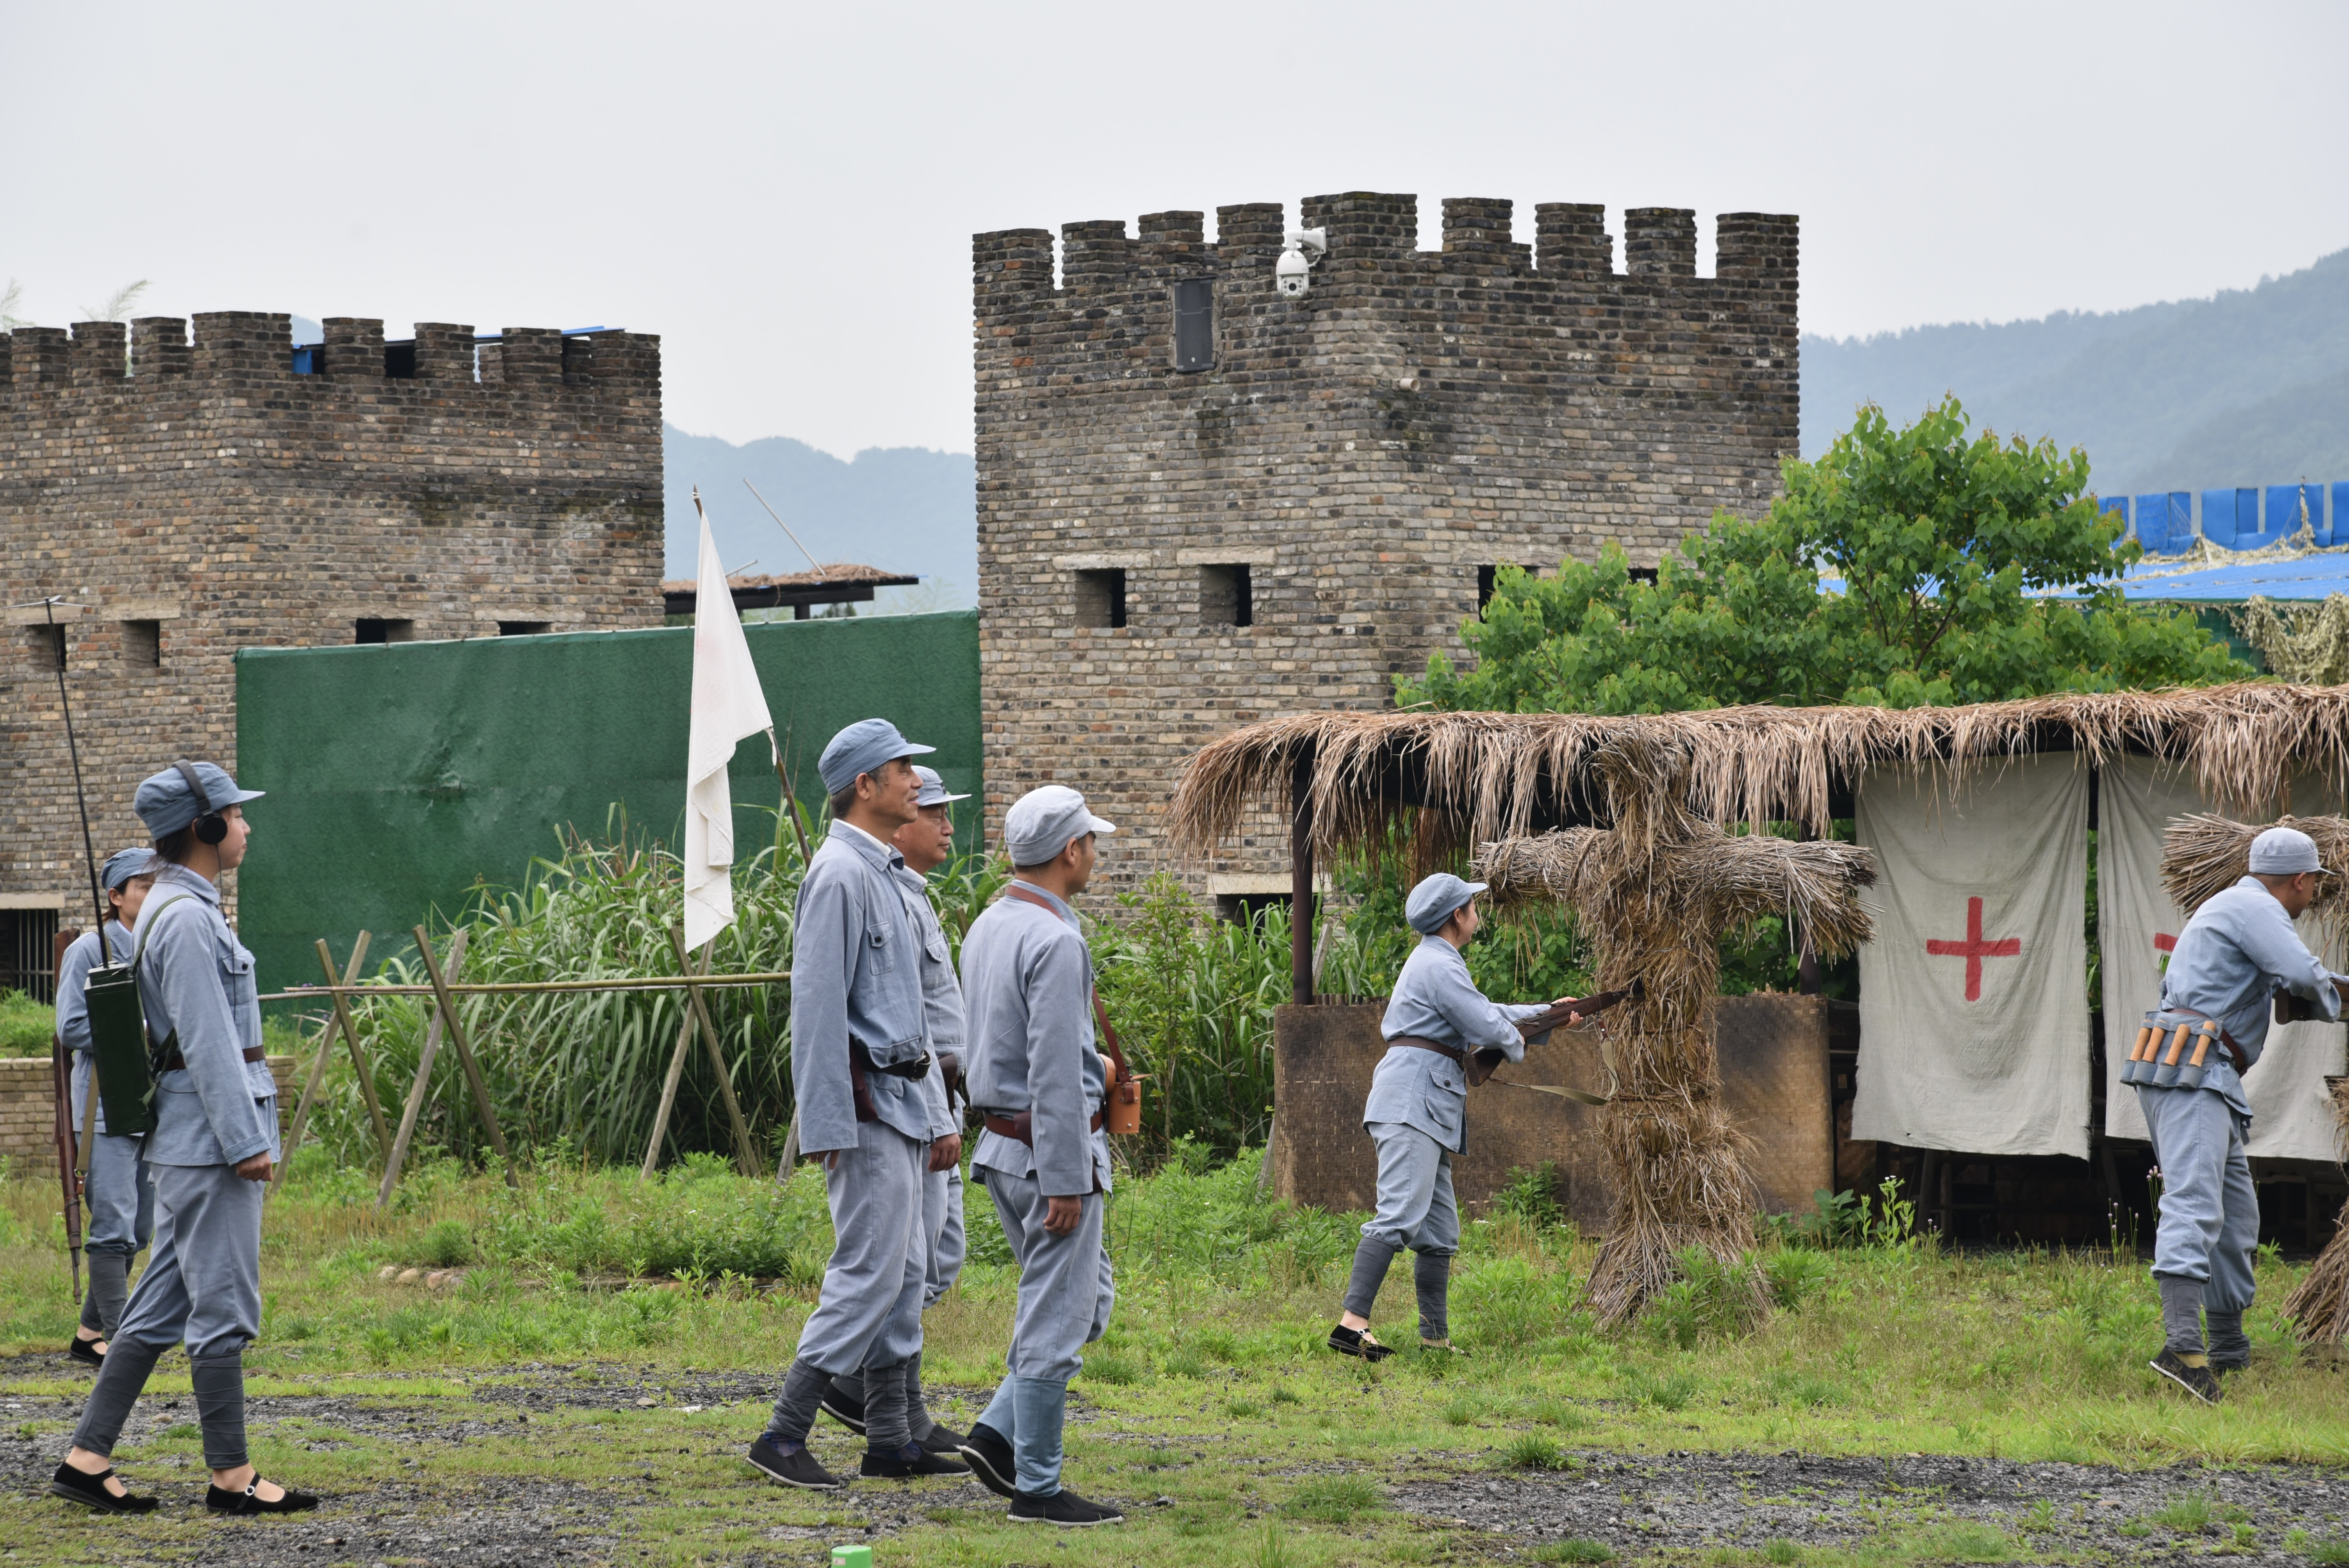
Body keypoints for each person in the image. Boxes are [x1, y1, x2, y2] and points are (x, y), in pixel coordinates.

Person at [53, 761, 318, 1516]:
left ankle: (85, 1458)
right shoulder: (189, 918)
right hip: (208, 1143)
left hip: (191, 1138)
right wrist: (244, 1141)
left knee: (155, 1307)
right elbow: (207, 1040)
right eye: (236, 815)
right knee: (223, 1305)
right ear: (204, 827)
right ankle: (232, 1477)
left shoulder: (175, 906)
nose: (246, 826)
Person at [747, 720, 969, 1490]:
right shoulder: (839, 875)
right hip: (869, 1110)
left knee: (906, 1274)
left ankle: (890, 1439)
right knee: (868, 1273)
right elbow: (817, 1010)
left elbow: (914, 1021)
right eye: (902, 768)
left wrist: (938, 1117)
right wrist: (827, 1123)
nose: (916, 781)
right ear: (865, 786)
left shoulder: (881, 874)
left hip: (906, 1105)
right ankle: (782, 1434)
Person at [955, 784, 1124, 1528]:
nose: (1094, 854)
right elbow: (1055, 1069)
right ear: (1070, 851)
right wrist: (1065, 1175)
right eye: (1091, 842)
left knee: (1087, 1300)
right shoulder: (1055, 941)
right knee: (1056, 1318)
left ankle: (996, 1434)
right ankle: (1038, 1487)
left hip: (1003, 1142)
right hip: (1047, 1151)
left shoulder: (990, 923)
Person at [2130, 824, 2343, 1404]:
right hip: (2193, 1070)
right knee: (2196, 1202)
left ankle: (2227, 1350)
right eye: (2313, 885)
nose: (2313, 896)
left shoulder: (2233, 905)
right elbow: (2303, 975)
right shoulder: (2258, 909)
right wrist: (2331, 996)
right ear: (2299, 880)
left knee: (2234, 1217)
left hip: (2202, 1072)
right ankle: (2182, 1348)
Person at [1328, 873, 1570, 1361]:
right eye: (1472, 906)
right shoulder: (1439, 964)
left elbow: (1485, 1009)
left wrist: (1552, 1012)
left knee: (1438, 1233)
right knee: (1398, 1214)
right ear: (1456, 916)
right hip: (1413, 1104)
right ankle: (1350, 1327)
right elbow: (1484, 1023)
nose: (1477, 914)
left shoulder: (1438, 961)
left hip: (1425, 1106)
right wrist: (1516, 1039)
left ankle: (1434, 1340)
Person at [822, 764, 971, 1454]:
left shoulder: (910, 895)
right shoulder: (858, 885)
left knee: (934, 1260)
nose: (945, 825)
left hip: (937, 1103)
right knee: (897, 1268)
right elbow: (878, 1022)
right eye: (933, 810)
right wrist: (933, 1113)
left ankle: (883, 1403)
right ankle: (871, 1404)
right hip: (907, 1104)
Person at [56, 848, 160, 1364]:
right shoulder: (88, 949)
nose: (153, 894)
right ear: (116, 896)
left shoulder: (159, 942)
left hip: (151, 1103)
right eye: (143, 886)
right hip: (103, 1103)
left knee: (138, 1230)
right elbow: (71, 1026)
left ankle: (87, 1335)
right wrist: (137, 1029)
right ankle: (124, 1344)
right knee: (114, 1224)